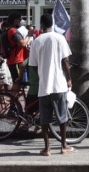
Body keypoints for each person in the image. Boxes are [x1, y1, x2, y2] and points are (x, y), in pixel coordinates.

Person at [27, 11, 72, 157]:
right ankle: (63, 145)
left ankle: (47, 148)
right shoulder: (59, 38)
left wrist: (42, 73)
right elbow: (65, 61)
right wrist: (69, 78)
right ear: (52, 24)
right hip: (59, 84)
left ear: (41, 25)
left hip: (44, 86)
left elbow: (33, 65)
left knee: (44, 120)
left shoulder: (36, 41)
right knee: (62, 117)